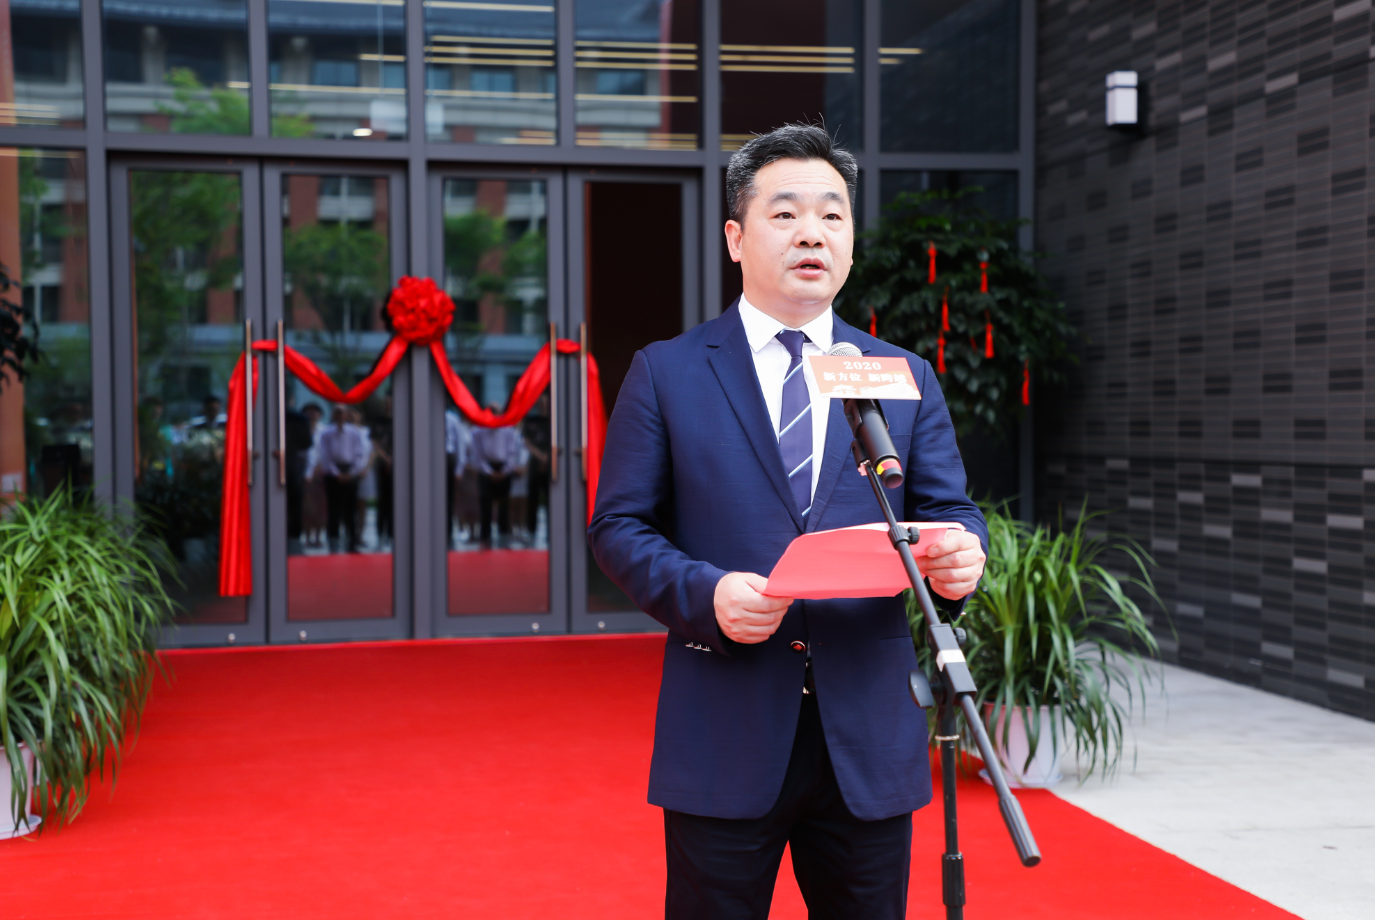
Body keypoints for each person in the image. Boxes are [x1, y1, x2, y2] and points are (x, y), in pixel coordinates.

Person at [587, 124, 989, 920]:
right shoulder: (668, 371)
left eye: (832, 215)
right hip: (726, 726)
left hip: (867, 732)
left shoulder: (898, 373)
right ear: (735, 238)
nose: (812, 232)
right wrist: (705, 595)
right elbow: (618, 526)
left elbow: (947, 510)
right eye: (785, 214)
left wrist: (960, 557)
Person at [315, 406, 370, 553]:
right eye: (337, 413)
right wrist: (336, 473)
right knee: (333, 509)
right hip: (333, 473)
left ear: (346, 415)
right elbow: (325, 455)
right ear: (333, 415)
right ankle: (333, 543)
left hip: (350, 470)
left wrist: (351, 473)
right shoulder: (326, 433)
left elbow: (360, 454)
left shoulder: (354, 433)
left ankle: (351, 543)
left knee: (350, 510)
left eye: (342, 413)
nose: (340, 416)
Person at [469, 409, 524, 548]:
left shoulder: (508, 431)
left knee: (504, 506)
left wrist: (504, 471)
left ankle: (503, 537)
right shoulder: (478, 431)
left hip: (503, 468)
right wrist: (489, 472)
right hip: (486, 469)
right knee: (485, 505)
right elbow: (477, 455)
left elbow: (512, 452)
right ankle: (485, 538)